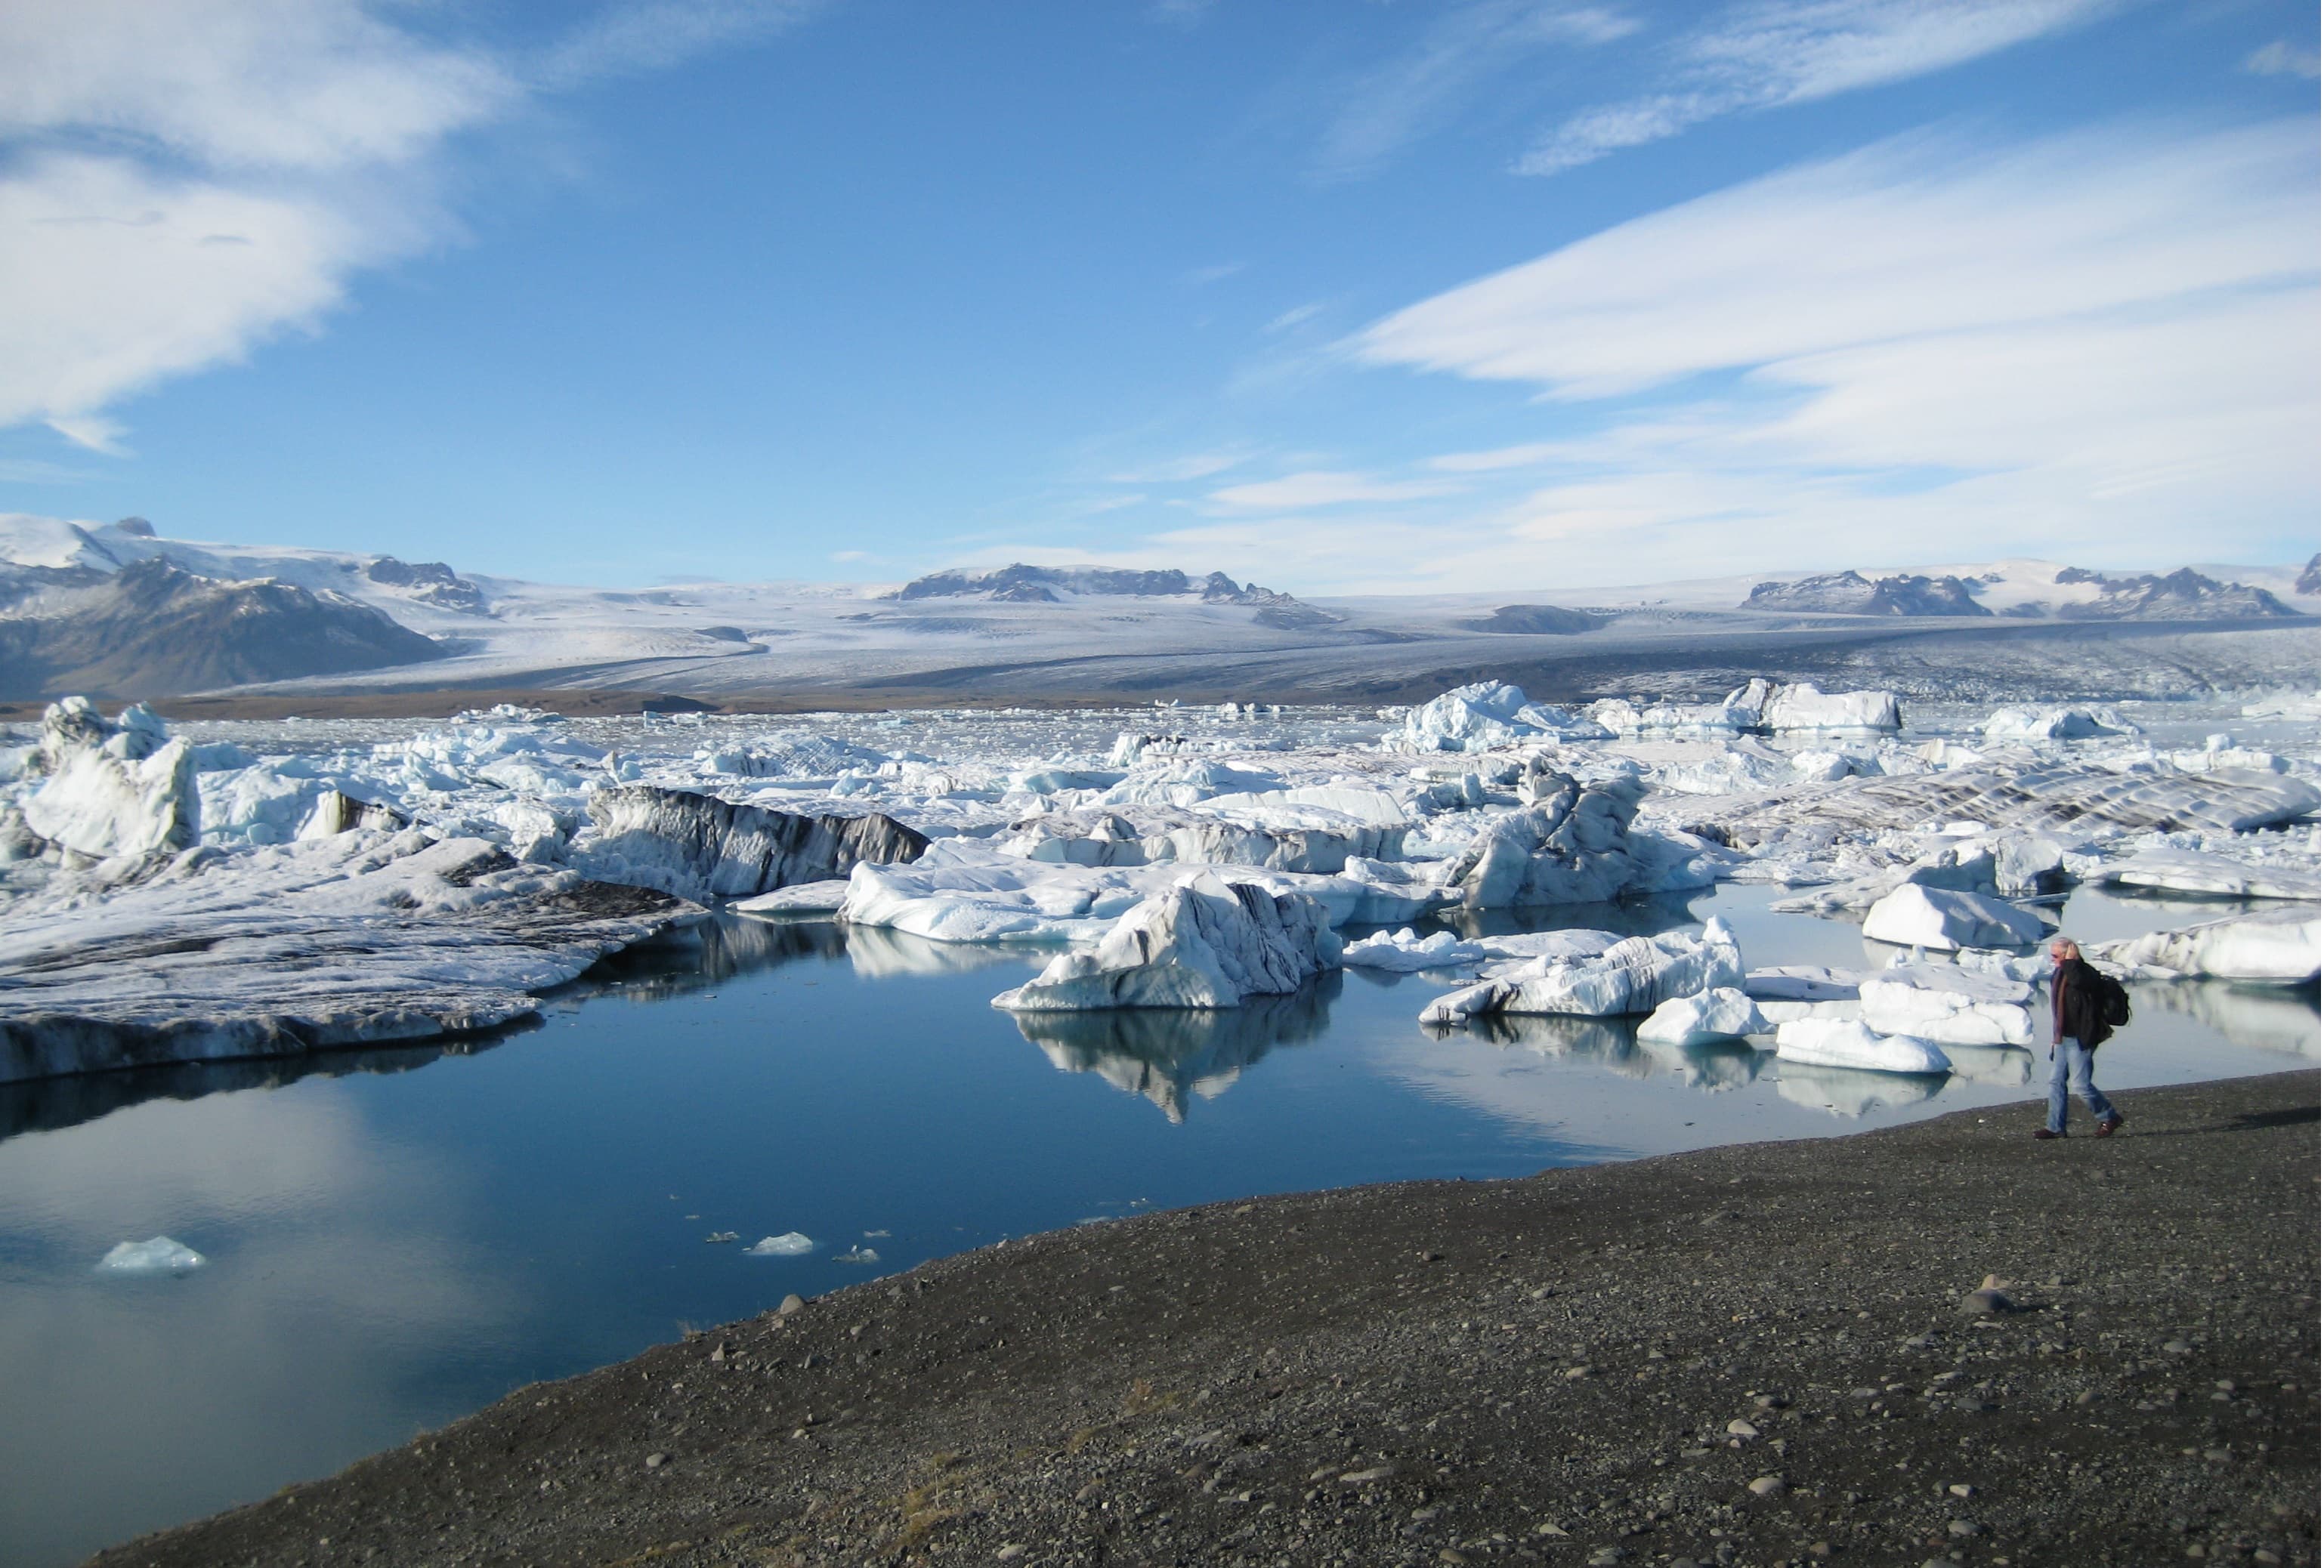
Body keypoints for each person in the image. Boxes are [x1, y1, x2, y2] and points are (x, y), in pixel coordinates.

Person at [2036, 937, 2124, 1141]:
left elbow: (2078, 981)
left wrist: (2071, 962)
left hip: (2081, 1037)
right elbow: (2059, 1008)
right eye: (2052, 956)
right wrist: (2054, 1036)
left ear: (2069, 954)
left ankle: (2109, 1117)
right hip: (2062, 1038)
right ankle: (2055, 1127)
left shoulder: (2085, 973)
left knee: (2081, 1084)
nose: (2053, 960)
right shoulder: (2059, 973)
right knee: (2056, 1081)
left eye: (2057, 956)